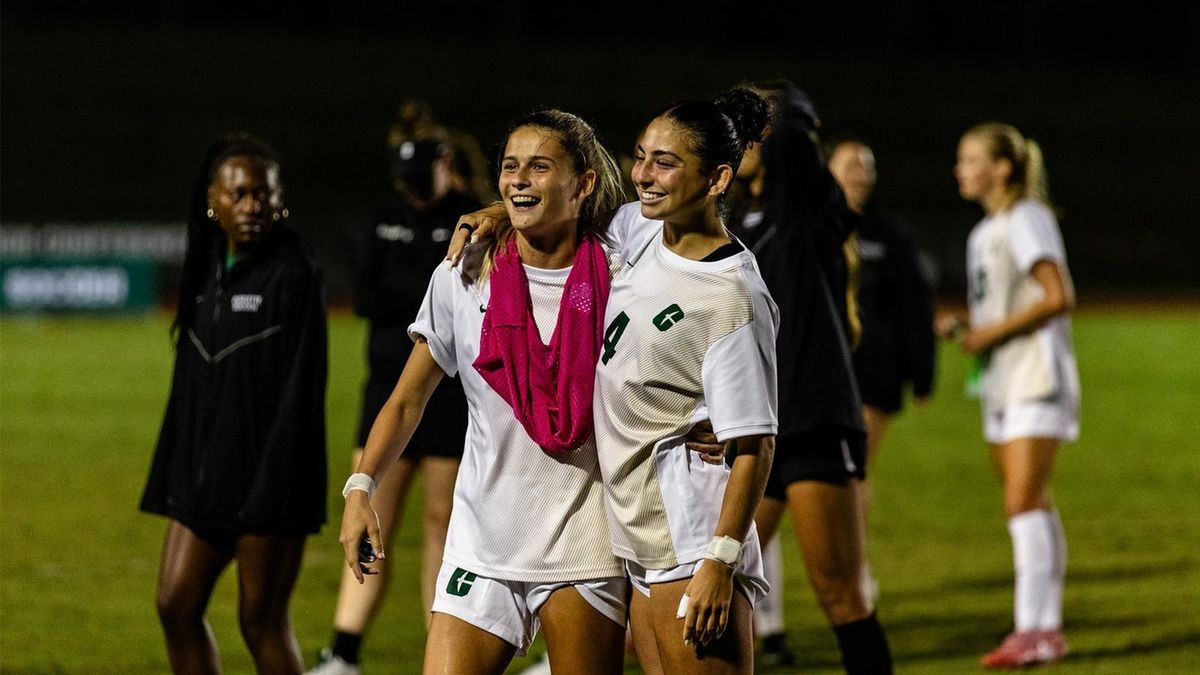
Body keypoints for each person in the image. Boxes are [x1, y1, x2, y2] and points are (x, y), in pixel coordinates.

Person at [338, 109, 634, 674]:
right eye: (510, 167)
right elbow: (405, 401)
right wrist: (360, 487)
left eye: (540, 167)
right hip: (481, 542)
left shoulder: (624, 274)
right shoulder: (463, 270)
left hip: (585, 544)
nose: (519, 179)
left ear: (585, 182)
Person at [592, 87, 780, 674]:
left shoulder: (731, 294)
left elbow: (755, 444)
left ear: (720, 178)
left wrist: (720, 562)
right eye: (641, 155)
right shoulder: (642, 229)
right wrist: (495, 212)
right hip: (642, 532)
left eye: (665, 163)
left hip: (692, 539)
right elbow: (567, 214)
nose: (642, 175)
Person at [140, 134, 327, 674]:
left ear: (280, 199)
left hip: (268, 487)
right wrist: (177, 473)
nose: (252, 207)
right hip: (204, 479)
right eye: (238, 194)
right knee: (175, 604)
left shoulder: (294, 270)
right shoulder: (205, 266)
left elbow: (302, 392)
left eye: (262, 195)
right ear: (212, 199)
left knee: (261, 621)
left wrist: (271, 488)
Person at [726, 84, 893, 674]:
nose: (733, 134)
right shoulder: (742, 214)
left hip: (813, 421)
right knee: (714, 582)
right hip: (757, 424)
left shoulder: (802, 208)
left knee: (841, 596)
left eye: (746, 125)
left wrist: (775, 114)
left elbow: (795, 140)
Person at [309, 111, 483, 675]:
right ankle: (344, 650)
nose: (412, 189)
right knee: (367, 511)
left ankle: (442, 645)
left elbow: (447, 296)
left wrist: (412, 292)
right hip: (388, 389)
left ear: (446, 165)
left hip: (452, 393)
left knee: (442, 522)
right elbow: (365, 297)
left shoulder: (474, 217)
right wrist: (432, 285)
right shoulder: (385, 219)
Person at [943, 122, 1078, 669]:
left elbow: (1057, 295)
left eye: (971, 158)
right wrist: (969, 325)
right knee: (1033, 504)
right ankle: (1046, 630)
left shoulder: (1026, 218)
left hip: (1036, 377)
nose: (960, 169)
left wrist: (990, 333)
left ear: (1002, 169)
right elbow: (1004, 306)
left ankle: (1031, 630)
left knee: (1022, 502)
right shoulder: (987, 230)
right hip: (1001, 379)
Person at [826, 136, 937, 599]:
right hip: (818, 371)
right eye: (852, 165)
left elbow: (914, 306)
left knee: (853, 470)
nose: (861, 174)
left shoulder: (889, 235)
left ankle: (856, 576)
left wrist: (923, 371)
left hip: (873, 371)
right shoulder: (809, 227)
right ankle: (769, 611)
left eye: (867, 166)